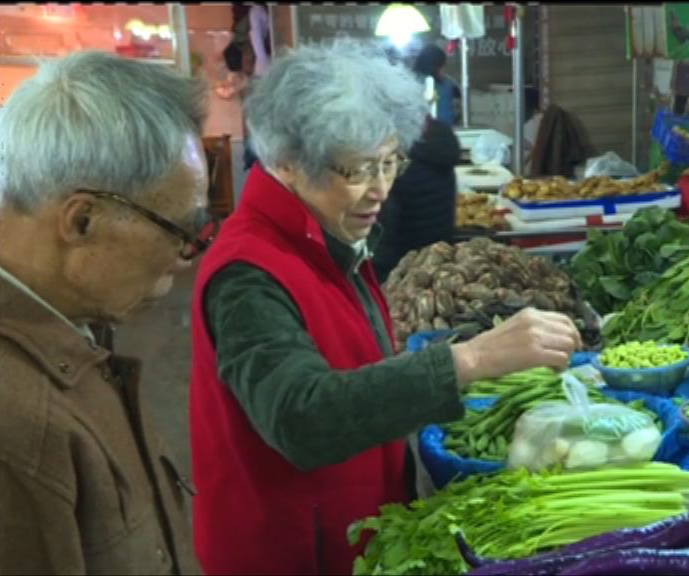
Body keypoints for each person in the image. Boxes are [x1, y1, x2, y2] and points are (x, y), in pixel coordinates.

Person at [189, 39, 581, 575]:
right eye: (355, 170)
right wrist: (468, 360)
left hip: (349, 532)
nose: (379, 190)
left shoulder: (324, 235)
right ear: (287, 162)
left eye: (389, 163)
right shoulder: (248, 272)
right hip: (290, 552)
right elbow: (302, 416)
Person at [0, 51, 214, 574]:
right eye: (180, 232)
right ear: (83, 220)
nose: (183, 260)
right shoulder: (16, 426)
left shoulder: (74, 325)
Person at [374, 115, 461, 283]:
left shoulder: (402, 158)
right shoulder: (437, 139)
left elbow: (386, 227)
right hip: (437, 258)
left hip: (401, 269)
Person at [413, 43, 461, 127]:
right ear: (438, 66)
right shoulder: (447, 85)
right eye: (443, 66)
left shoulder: (411, 82)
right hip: (443, 132)